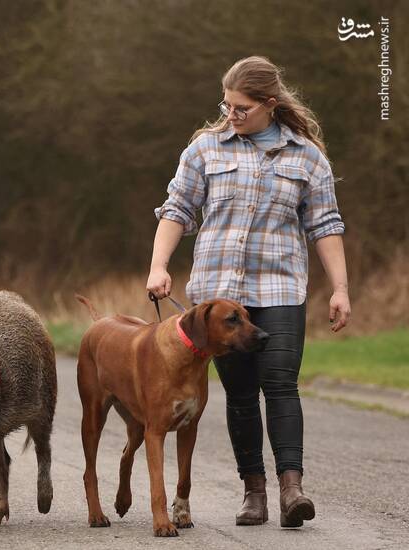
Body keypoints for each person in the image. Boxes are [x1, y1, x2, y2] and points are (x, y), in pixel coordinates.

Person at [147, 56, 350, 529]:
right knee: (239, 394)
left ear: (269, 106)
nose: (231, 115)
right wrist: (159, 265)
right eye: (227, 105)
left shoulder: (306, 157)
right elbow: (177, 209)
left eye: (242, 108)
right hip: (217, 292)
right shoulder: (204, 150)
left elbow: (326, 225)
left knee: (280, 383)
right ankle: (253, 491)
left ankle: (291, 489)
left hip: (279, 287)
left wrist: (339, 288)